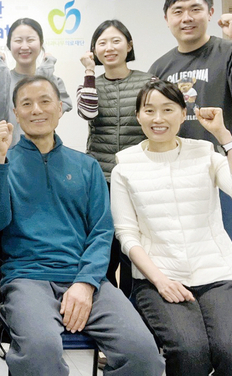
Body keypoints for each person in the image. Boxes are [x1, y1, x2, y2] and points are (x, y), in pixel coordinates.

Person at [0, 75, 163, 376]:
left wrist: (85, 283)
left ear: (60, 108)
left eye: (45, 101)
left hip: (86, 278)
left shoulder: (87, 166)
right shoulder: (2, 164)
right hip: (27, 278)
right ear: (15, 113)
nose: (36, 110)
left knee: (143, 353)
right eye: (26, 104)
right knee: (40, 352)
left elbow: (102, 231)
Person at [110, 79, 232, 375]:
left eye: (168, 109)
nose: (158, 118)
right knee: (190, 351)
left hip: (220, 276)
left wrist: (224, 135)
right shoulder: (124, 167)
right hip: (159, 279)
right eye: (149, 110)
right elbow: (127, 235)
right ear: (138, 116)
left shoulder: (206, 154)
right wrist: (160, 280)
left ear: (183, 114)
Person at [149, 0, 232, 293]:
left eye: (195, 9)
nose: (186, 18)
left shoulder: (230, 52)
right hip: (181, 178)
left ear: (210, 13)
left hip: (228, 176)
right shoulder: (161, 66)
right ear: (167, 19)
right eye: (178, 11)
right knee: (187, 263)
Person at [76, 19, 152, 294]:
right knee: (103, 245)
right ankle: (105, 303)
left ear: (129, 46)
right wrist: (89, 71)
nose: (109, 48)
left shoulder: (148, 82)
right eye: (102, 43)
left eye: (116, 41)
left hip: (140, 176)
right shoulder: (90, 84)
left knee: (134, 247)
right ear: (94, 50)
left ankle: (136, 305)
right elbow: (87, 112)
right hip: (102, 178)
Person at [0, 17, 71, 166]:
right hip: (2, 160)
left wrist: (46, 72)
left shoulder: (53, 81)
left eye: (30, 40)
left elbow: (52, 115)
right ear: (9, 45)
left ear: (41, 43)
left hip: (41, 159)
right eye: (18, 40)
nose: (24, 46)